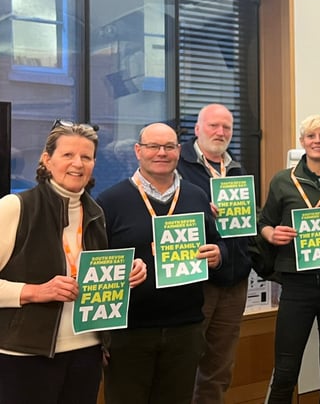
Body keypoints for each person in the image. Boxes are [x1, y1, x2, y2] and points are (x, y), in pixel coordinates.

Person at [0, 120, 146, 404]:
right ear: (47, 159)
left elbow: (89, 273)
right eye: (68, 155)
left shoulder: (96, 212)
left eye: (86, 156)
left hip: (87, 352)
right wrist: (33, 291)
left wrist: (124, 275)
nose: (77, 164)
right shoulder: (15, 207)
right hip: (25, 355)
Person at [96, 122, 226, 404]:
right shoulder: (110, 201)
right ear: (138, 151)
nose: (161, 153)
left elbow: (220, 243)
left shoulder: (196, 196)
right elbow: (93, 264)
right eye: (153, 146)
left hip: (186, 328)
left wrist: (218, 254)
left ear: (179, 151)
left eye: (169, 146)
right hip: (129, 332)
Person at [258, 114, 320, 404]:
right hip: (296, 285)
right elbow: (264, 222)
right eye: (311, 136)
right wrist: (271, 234)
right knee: (286, 370)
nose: (317, 141)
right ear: (302, 142)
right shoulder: (282, 180)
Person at [178, 104, 253, 404]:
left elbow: (248, 223)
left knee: (219, 369)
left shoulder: (237, 169)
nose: (220, 132)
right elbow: (160, 210)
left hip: (234, 283)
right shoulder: (177, 165)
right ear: (197, 129)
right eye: (213, 126)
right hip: (198, 283)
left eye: (226, 127)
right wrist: (197, 207)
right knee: (183, 365)